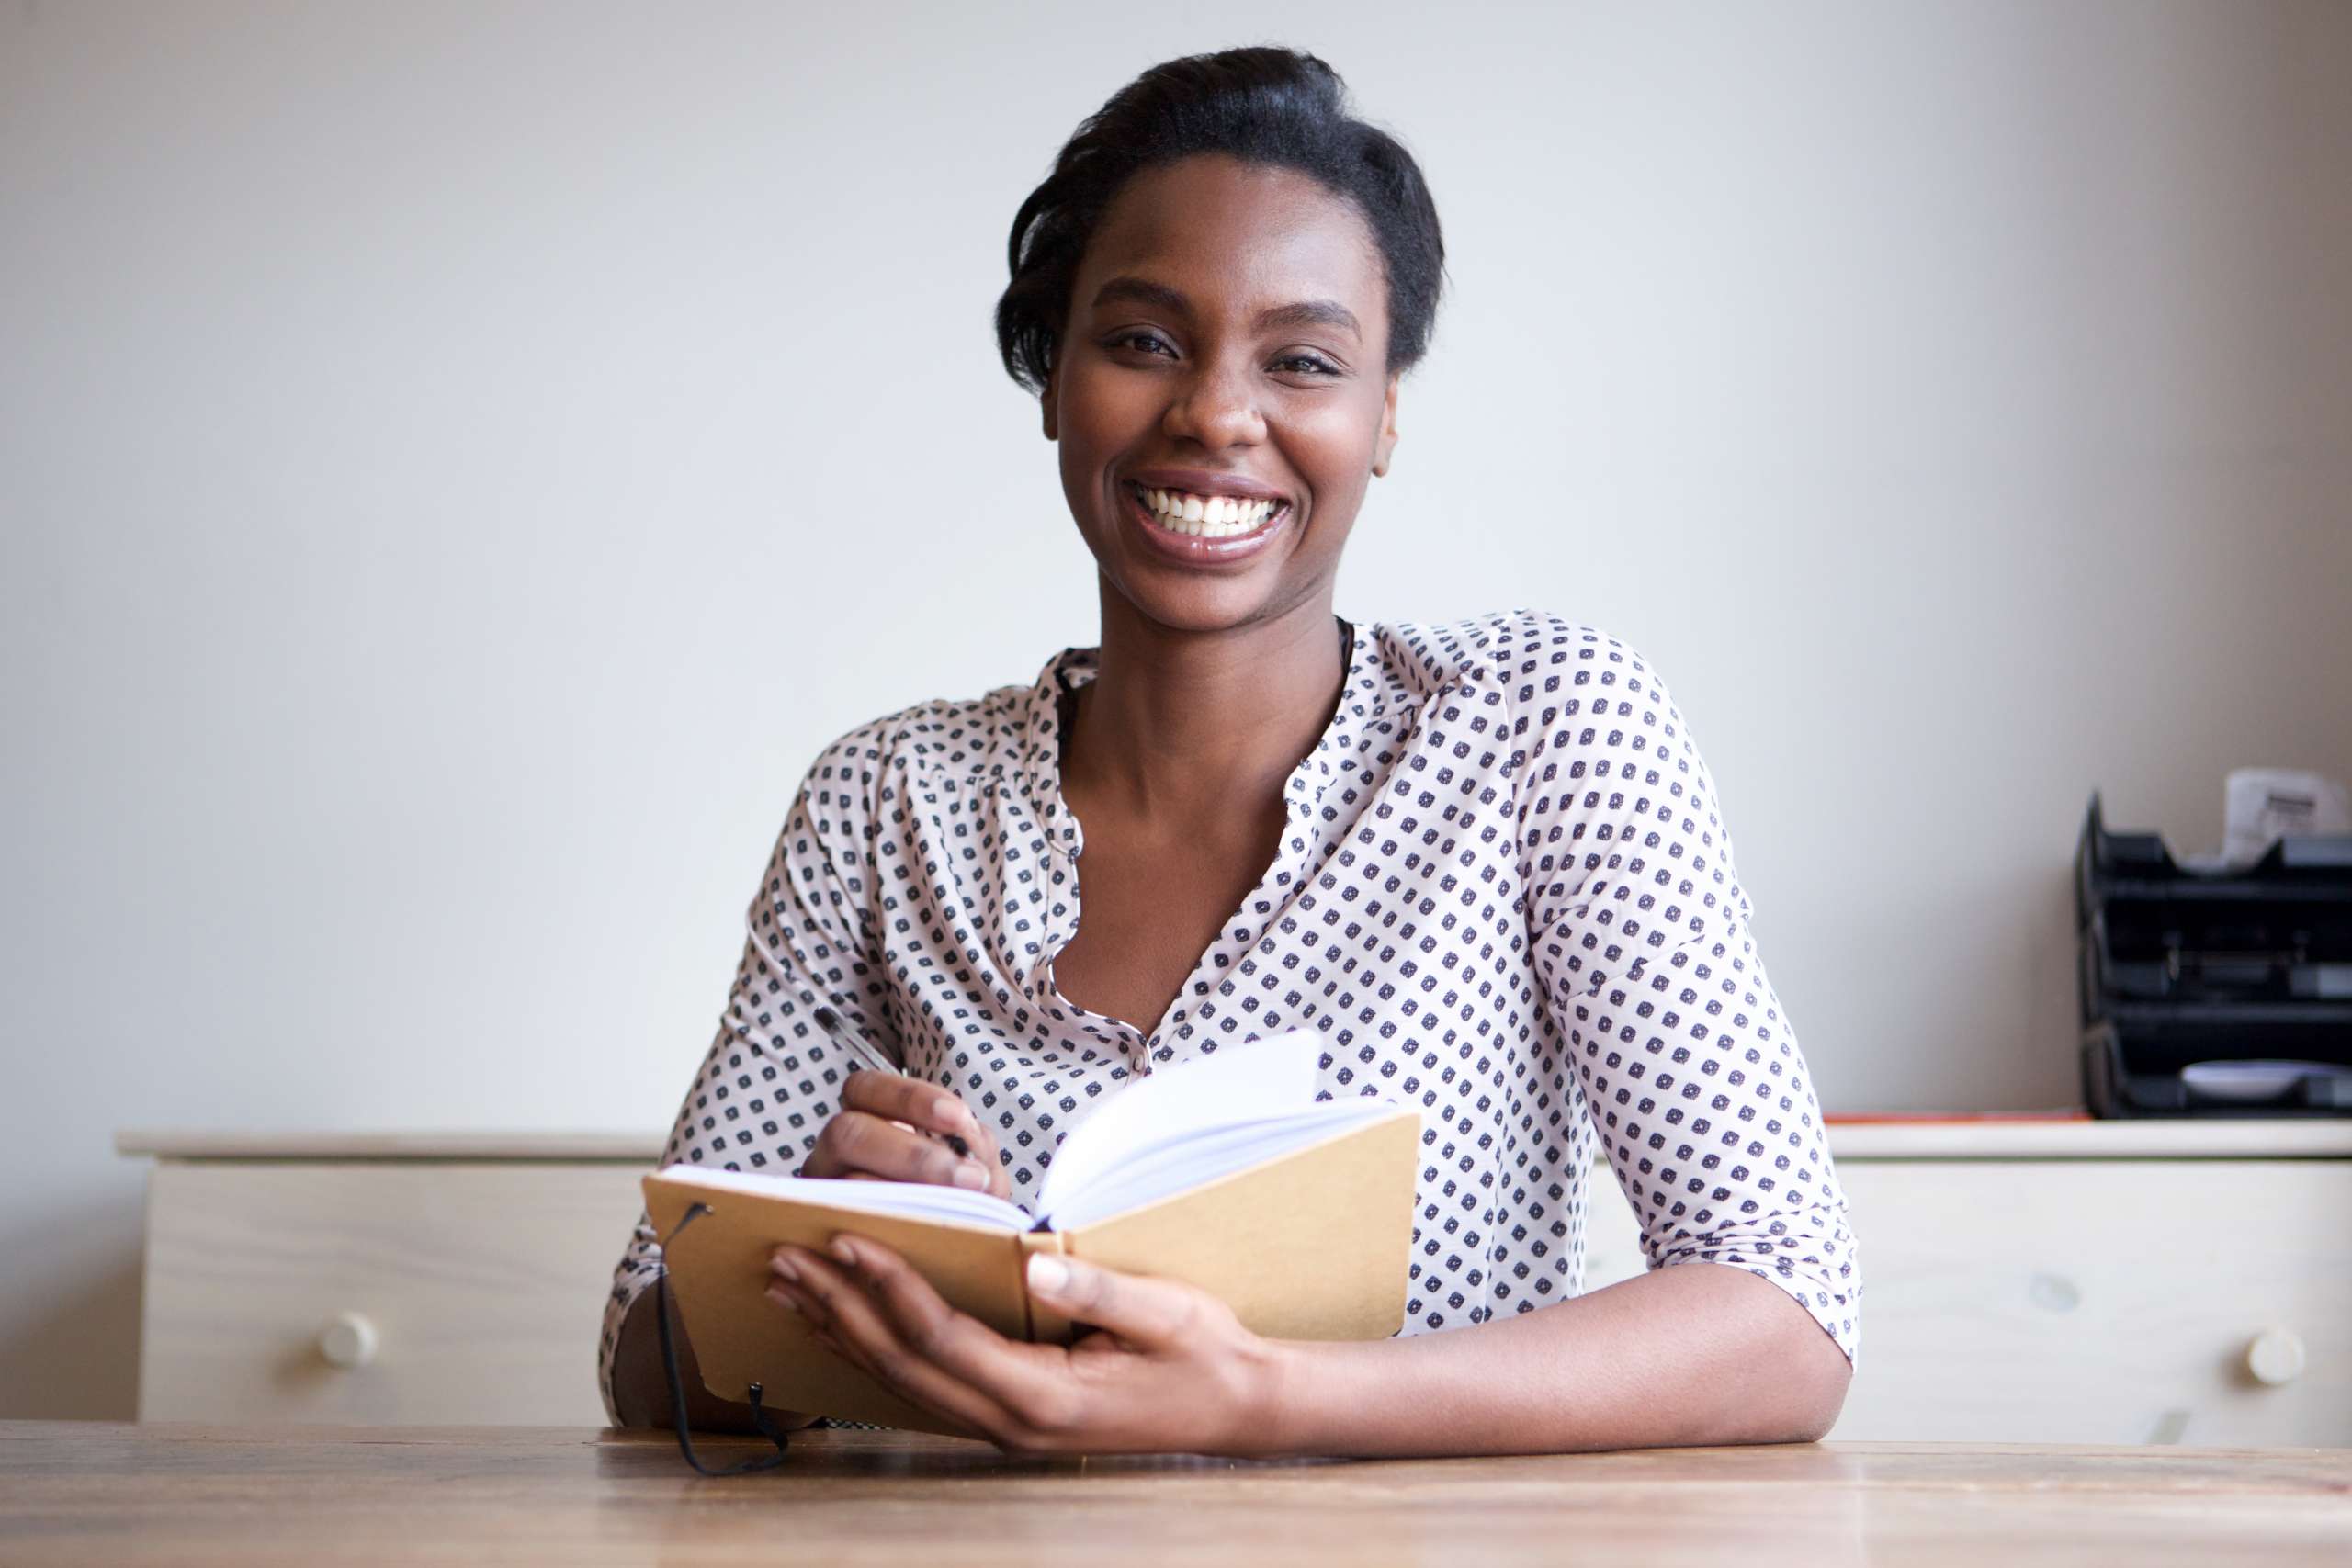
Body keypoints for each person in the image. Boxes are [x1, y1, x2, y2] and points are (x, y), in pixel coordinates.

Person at [600, 44, 1859, 1458]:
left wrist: (1262, 1393)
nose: (1214, 413)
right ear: (1052, 380)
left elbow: (1784, 1309)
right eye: (1142, 341)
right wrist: (808, 1268)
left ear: (1382, 416)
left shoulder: (1537, 730)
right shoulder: (884, 805)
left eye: (1305, 361)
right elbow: (646, 1357)